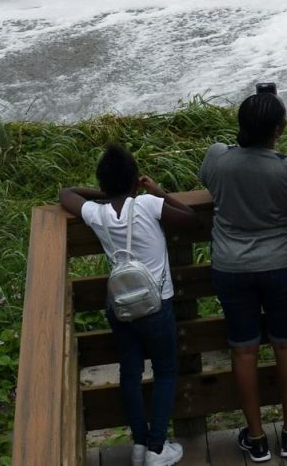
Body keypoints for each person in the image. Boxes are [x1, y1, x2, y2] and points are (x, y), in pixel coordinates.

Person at [60, 145, 198, 466]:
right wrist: (155, 190)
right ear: (136, 180)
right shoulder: (148, 205)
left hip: (120, 308)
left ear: (104, 184)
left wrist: (106, 193)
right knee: (165, 371)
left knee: (130, 374)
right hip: (156, 306)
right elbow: (190, 219)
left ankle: (139, 444)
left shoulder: (98, 213)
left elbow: (65, 193)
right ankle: (157, 448)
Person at [201, 91, 287, 461]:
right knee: (286, 344)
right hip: (281, 265)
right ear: (279, 129)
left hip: (231, 266)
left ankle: (255, 437)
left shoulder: (218, 159)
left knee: (244, 350)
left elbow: (209, 178)